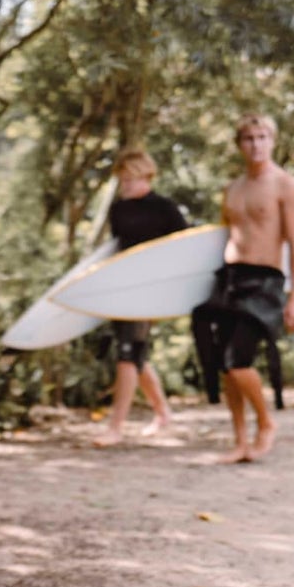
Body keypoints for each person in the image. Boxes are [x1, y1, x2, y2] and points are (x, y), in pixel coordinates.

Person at [191, 113, 294, 463]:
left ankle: (266, 423)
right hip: (230, 278)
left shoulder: (287, 185)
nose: (256, 145)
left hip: (265, 280)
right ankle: (240, 441)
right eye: (248, 138)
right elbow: (224, 236)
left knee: (237, 361)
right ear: (239, 144)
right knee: (226, 368)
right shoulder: (234, 187)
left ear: (272, 140)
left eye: (262, 137)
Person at [94, 147, 186, 446]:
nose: (126, 185)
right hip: (124, 289)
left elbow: (184, 250)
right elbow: (117, 250)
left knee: (126, 354)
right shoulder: (119, 209)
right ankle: (163, 413)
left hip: (152, 290)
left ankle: (115, 427)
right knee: (137, 355)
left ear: (146, 175)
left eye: (131, 179)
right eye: (122, 180)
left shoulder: (165, 208)